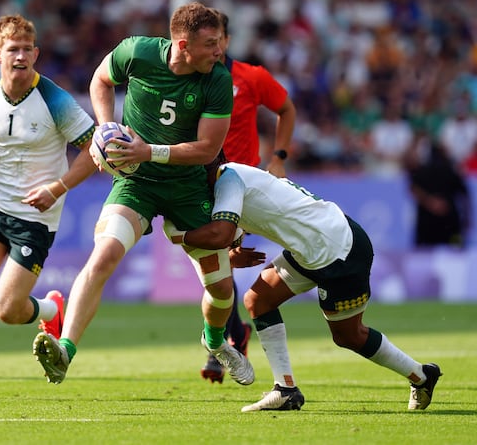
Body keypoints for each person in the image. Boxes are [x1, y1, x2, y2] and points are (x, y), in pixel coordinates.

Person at [32, 1, 255, 387]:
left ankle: (216, 341)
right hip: (136, 182)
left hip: (189, 187)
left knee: (220, 290)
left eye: (219, 42)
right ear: (182, 45)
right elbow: (101, 80)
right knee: (103, 256)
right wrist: (104, 129)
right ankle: (65, 348)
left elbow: (205, 149)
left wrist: (146, 150)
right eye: (211, 44)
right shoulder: (137, 51)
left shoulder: (217, 80)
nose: (220, 52)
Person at [164, 161, 442, 412]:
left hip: (337, 250)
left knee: (349, 336)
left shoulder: (228, 179)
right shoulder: (230, 178)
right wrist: (234, 244)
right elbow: (246, 217)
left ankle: (421, 375)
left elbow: (222, 231)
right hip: (310, 249)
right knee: (258, 301)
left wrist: (178, 237)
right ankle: (285, 389)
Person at [0, 14, 97, 400]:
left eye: (27, 49)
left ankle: (49, 310)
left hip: (36, 216)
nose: (21, 56)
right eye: (13, 49)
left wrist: (57, 188)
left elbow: (95, 151)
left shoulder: (56, 101)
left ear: (36, 53)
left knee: (6, 309)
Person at [200, 9, 297, 383]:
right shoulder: (193, 80)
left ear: (227, 39)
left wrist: (279, 157)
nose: (216, 45)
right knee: (214, 265)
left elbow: (286, 109)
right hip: (200, 182)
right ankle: (232, 335)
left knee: (214, 263)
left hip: (241, 185)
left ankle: (224, 339)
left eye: (219, 38)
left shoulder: (250, 77)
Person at [407, 141, 472, 248]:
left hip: (426, 223)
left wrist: (430, 202)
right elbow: (464, 195)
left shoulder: (421, 171)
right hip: (449, 221)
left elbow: (413, 189)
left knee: (422, 255)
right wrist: (467, 218)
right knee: (456, 253)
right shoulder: (452, 171)